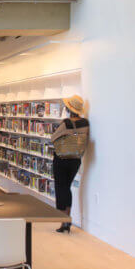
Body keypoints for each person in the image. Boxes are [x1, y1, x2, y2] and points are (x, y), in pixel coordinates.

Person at [51, 95, 89, 234]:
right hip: (75, 159)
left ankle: (65, 221)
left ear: (68, 108)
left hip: (62, 158)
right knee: (67, 188)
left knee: (61, 188)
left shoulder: (66, 123)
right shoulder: (85, 123)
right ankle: (67, 220)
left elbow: (53, 137)